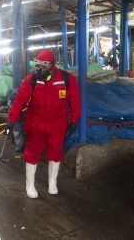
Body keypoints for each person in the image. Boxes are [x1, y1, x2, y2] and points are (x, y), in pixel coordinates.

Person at [6, 49, 81, 198]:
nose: (40, 67)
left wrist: (74, 120)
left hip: (57, 124)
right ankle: (30, 185)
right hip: (36, 124)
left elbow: (75, 101)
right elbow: (20, 99)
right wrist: (12, 119)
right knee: (32, 153)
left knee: (55, 153)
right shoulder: (32, 79)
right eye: (38, 63)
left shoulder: (66, 79)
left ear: (52, 64)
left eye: (44, 64)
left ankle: (52, 183)